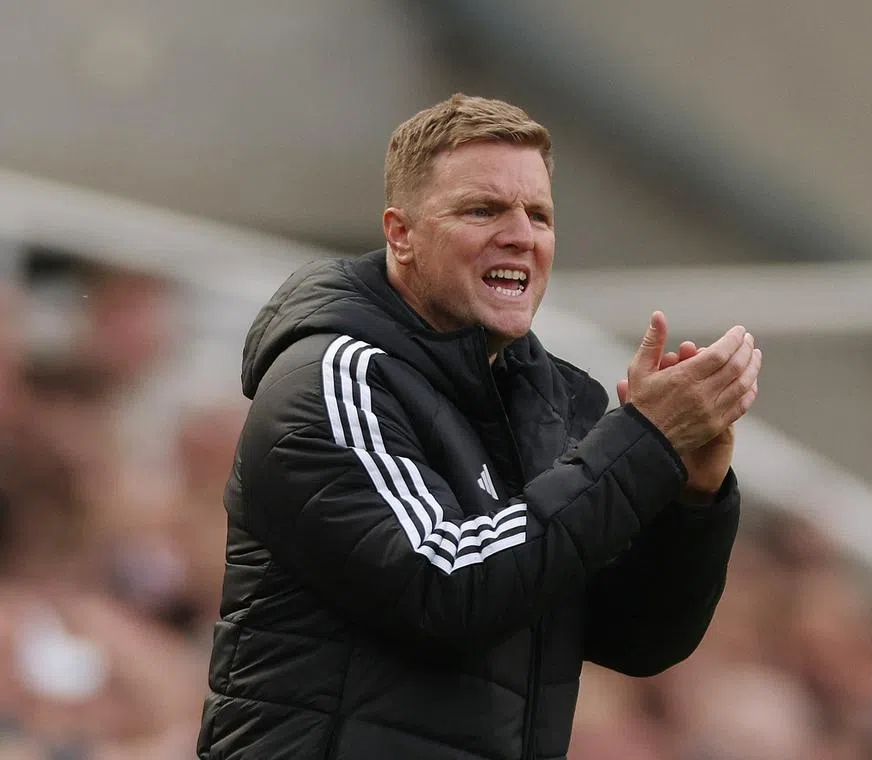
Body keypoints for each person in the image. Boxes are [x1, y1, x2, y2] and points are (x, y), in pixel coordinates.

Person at [196, 93, 762, 760]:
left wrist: (693, 489)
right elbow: (448, 586)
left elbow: (635, 638)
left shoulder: (552, 403)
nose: (521, 235)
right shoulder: (334, 377)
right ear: (400, 233)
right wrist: (644, 439)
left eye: (540, 216)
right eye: (483, 210)